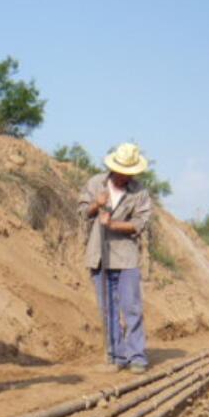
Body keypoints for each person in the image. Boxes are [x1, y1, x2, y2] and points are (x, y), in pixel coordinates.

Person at [77, 143, 153, 373]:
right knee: (108, 309)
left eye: (129, 172)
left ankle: (137, 356)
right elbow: (82, 211)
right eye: (121, 171)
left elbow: (139, 224)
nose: (124, 176)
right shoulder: (95, 183)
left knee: (131, 308)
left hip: (126, 257)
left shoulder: (140, 193)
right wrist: (96, 205)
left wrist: (113, 224)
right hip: (99, 255)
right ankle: (116, 355)